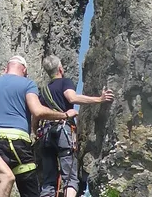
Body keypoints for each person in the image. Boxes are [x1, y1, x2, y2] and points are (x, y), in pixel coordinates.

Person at [0, 55, 76, 197]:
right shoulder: (27, 84)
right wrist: (65, 115)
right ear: (24, 70)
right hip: (19, 143)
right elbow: (37, 111)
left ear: (5, 69)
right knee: (30, 191)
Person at [35, 55, 113, 197]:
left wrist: (34, 131)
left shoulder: (43, 91)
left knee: (48, 181)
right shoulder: (65, 82)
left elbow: (37, 115)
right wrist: (99, 99)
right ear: (60, 69)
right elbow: (72, 98)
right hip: (63, 131)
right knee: (70, 178)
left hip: (45, 134)